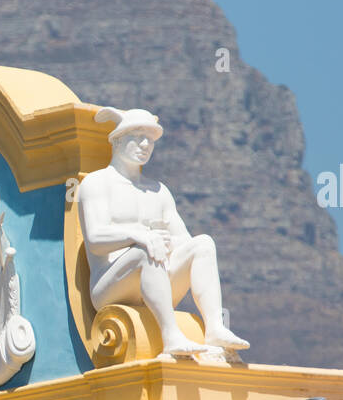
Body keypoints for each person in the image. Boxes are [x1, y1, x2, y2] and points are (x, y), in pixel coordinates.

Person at [78, 106, 249, 355]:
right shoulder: (96, 183)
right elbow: (95, 239)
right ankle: (171, 337)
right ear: (117, 140)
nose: (145, 145)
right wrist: (140, 236)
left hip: (157, 277)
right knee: (145, 251)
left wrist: (169, 244)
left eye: (150, 140)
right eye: (137, 137)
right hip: (110, 285)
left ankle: (214, 327)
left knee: (202, 244)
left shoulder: (159, 190)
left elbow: (183, 240)